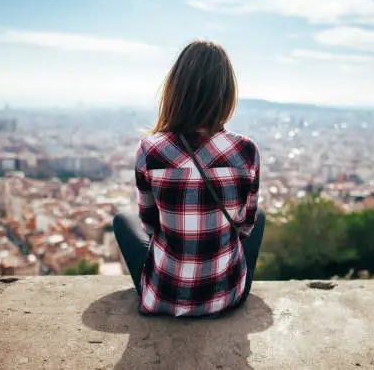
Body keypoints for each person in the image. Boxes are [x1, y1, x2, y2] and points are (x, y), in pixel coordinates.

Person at [113, 40, 264, 318]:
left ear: (175, 90)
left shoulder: (151, 149)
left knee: (123, 220)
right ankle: (232, 283)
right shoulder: (246, 150)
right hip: (227, 299)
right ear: (227, 94)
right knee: (260, 216)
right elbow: (245, 226)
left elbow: (149, 225)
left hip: (163, 298)